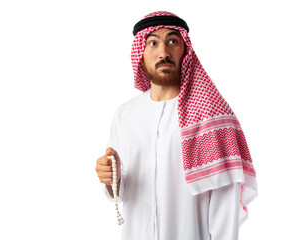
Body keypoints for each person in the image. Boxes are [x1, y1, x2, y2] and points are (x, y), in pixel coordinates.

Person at [95, 11, 257, 240]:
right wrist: (113, 179)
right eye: (153, 43)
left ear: (185, 50)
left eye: (172, 41)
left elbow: (225, 202)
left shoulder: (210, 115)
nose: (163, 52)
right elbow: (118, 194)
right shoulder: (124, 116)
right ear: (140, 53)